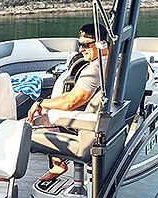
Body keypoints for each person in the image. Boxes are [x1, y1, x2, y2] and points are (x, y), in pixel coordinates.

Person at [26, 22, 111, 182]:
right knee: (48, 111)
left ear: (102, 44)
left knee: (24, 129)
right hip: (106, 127)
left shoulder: (94, 69)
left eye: (86, 45)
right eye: (80, 45)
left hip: (88, 129)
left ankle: (5, 180)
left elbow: (71, 102)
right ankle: (57, 164)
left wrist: (40, 103)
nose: (81, 49)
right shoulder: (114, 61)